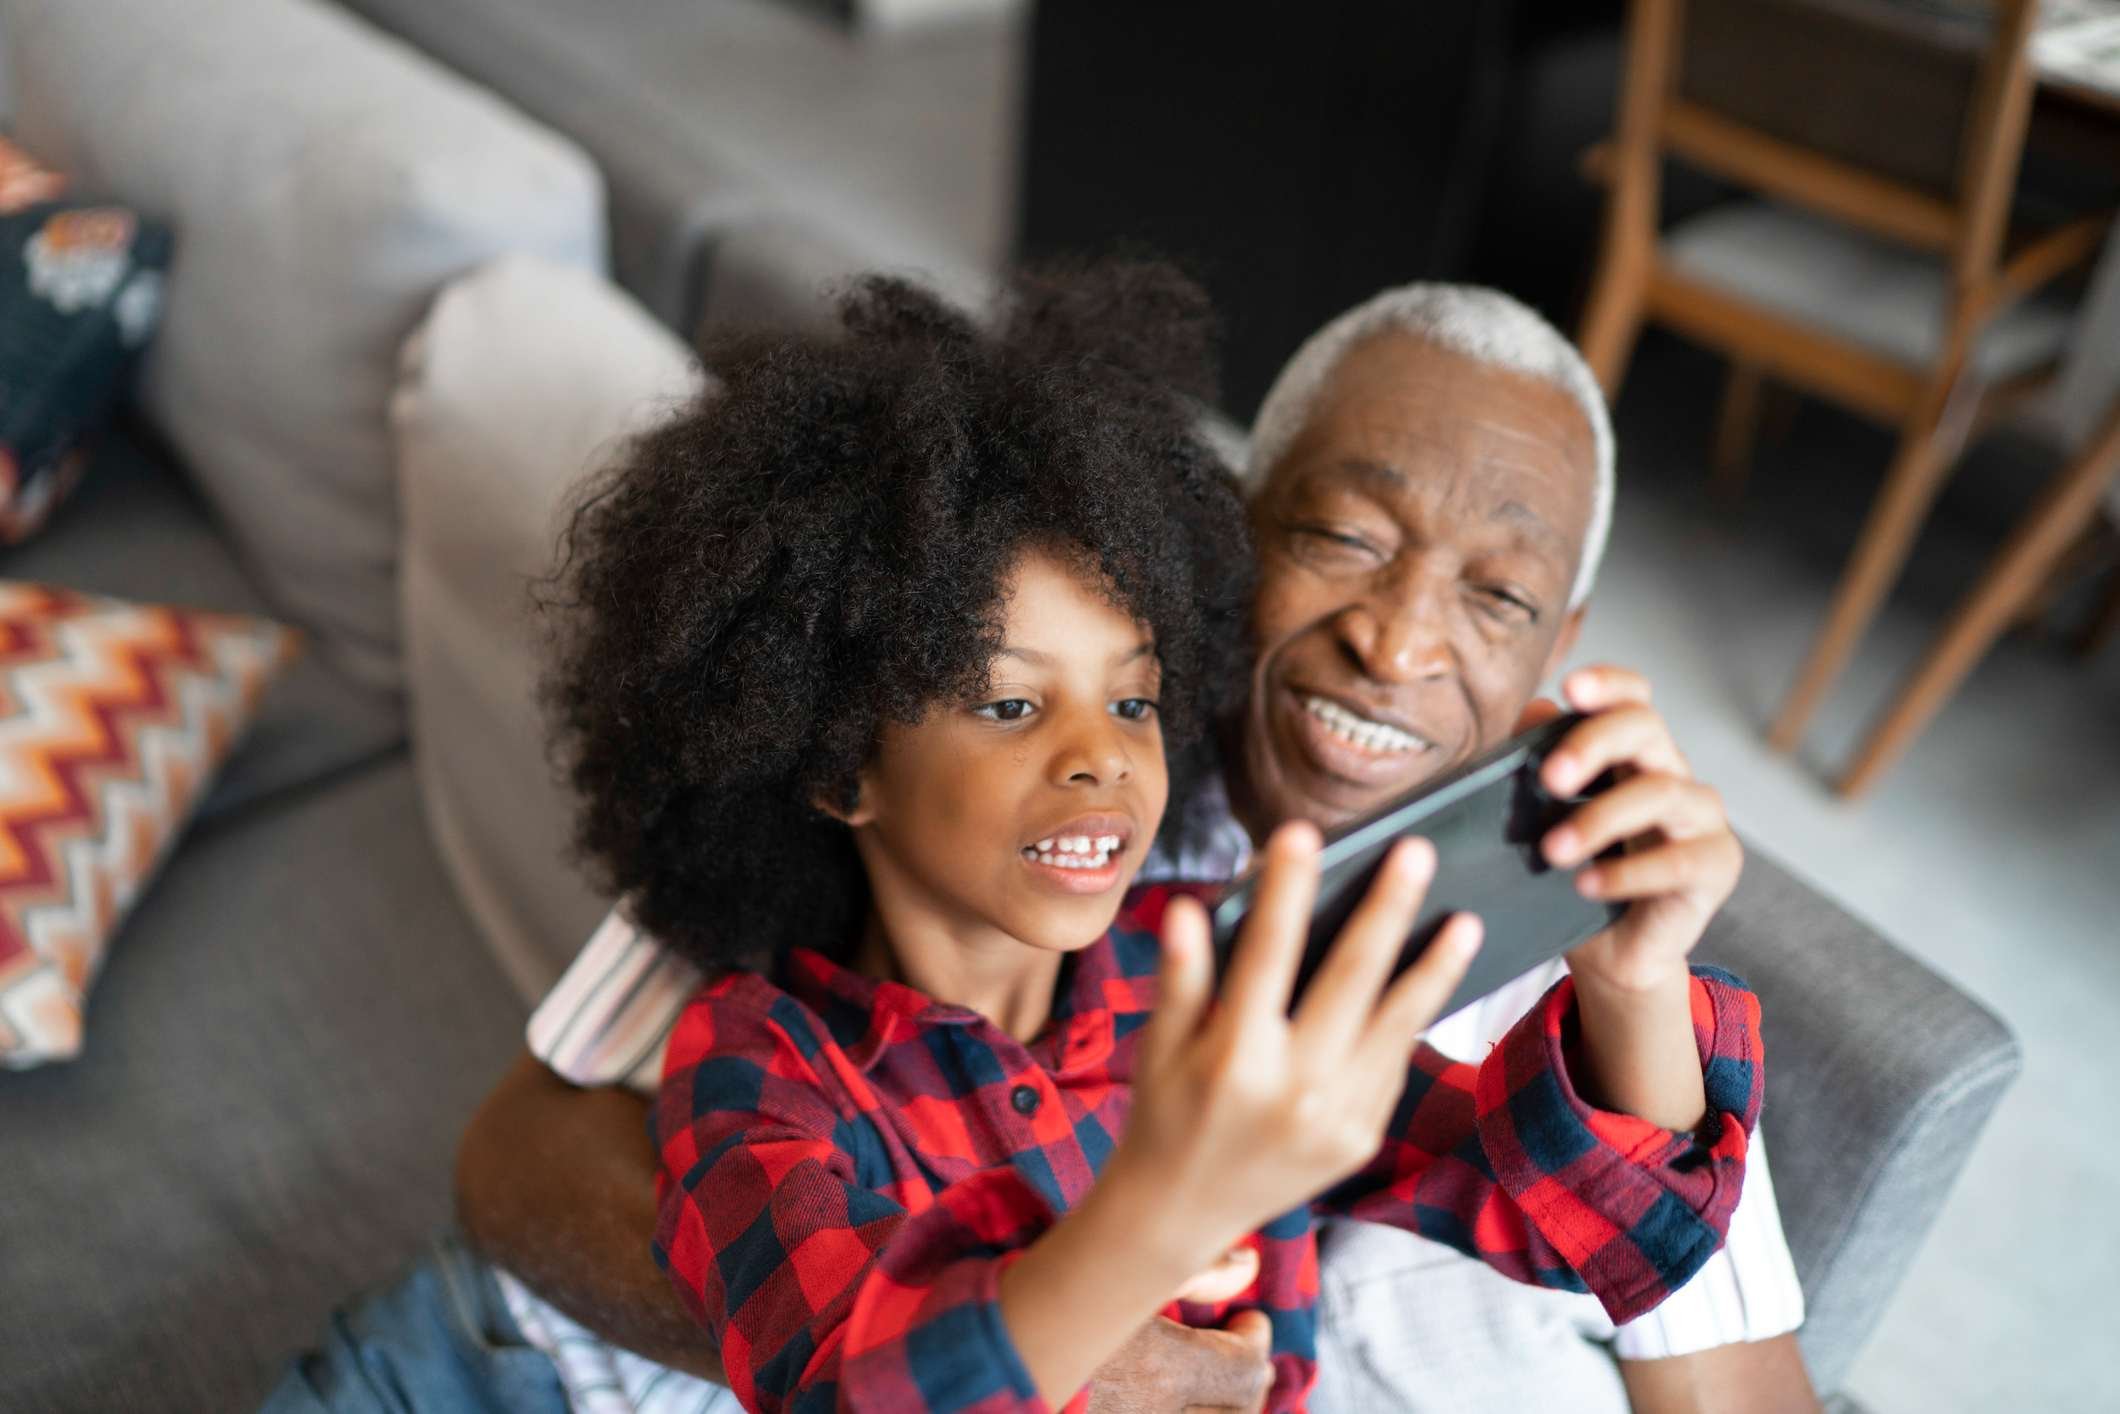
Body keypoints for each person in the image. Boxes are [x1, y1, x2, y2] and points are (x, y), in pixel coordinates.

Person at [457, 282, 1813, 1413]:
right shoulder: (758, 1061)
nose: (1102, 754)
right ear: (836, 760)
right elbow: (837, 1384)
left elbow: (1620, 1238)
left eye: (1136, 695)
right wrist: (1165, 1208)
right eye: (1006, 700)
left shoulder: (1208, 975)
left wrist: (1634, 984)